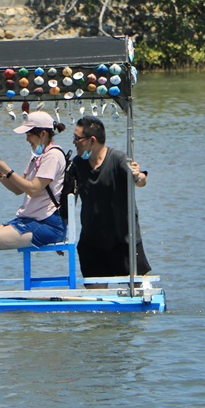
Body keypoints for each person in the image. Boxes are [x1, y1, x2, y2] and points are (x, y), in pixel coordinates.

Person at [0, 111, 67, 292]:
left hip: (48, 223)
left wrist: (8, 171)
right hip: (30, 220)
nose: (27, 139)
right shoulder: (37, 156)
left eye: (29, 134)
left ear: (43, 134)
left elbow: (33, 188)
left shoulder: (53, 156)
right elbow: (18, 189)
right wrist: (0, 175)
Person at [70, 116, 152, 283]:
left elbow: (141, 179)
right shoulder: (77, 164)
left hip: (123, 242)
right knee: (97, 303)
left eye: (77, 139)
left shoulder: (118, 159)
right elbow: (67, 199)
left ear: (92, 140)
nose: (74, 142)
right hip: (91, 243)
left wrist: (138, 176)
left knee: (135, 295)